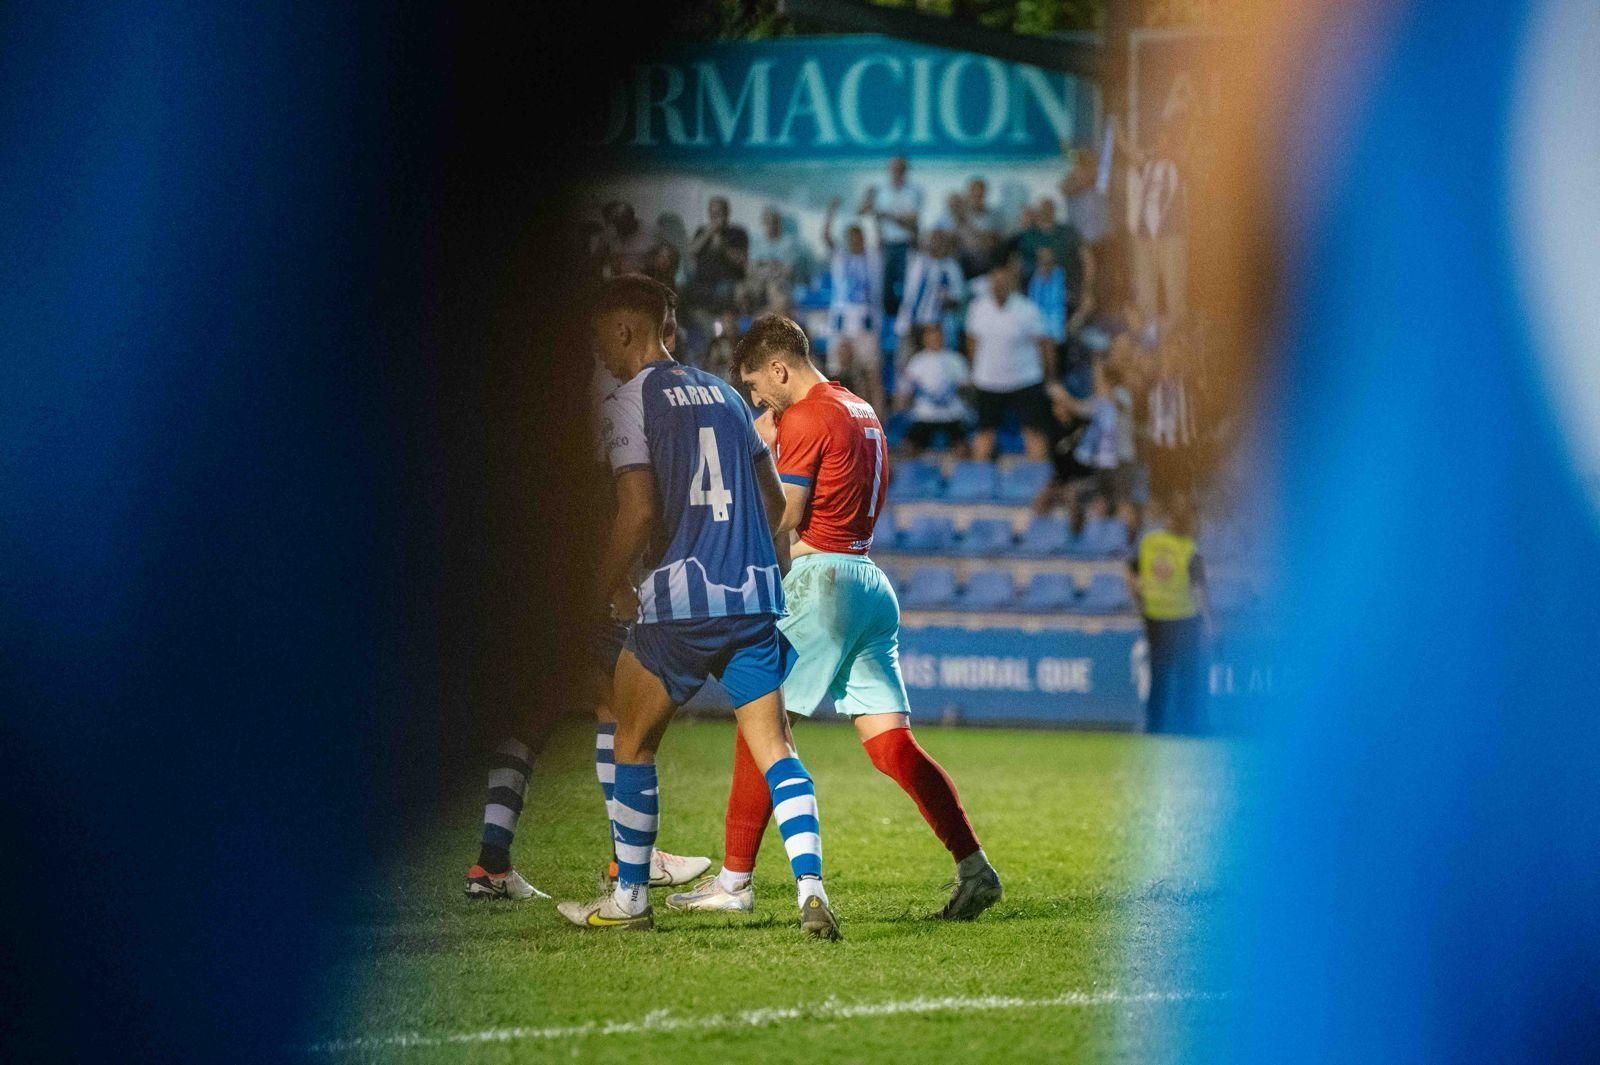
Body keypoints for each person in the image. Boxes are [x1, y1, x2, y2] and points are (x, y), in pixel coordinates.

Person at [667, 314, 1002, 921]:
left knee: (760, 727)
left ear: (779, 368)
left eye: (755, 385)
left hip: (821, 582)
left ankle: (734, 883)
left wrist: (735, 508)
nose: (756, 400)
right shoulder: (860, 408)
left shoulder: (805, 416)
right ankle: (975, 865)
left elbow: (787, 514)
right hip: (868, 581)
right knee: (892, 746)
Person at [557, 275, 840, 939]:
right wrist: (764, 569)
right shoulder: (726, 394)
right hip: (751, 599)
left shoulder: (631, 399)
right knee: (777, 748)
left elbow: (637, 510)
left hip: (679, 604)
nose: (599, 350)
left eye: (601, 336)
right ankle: (811, 888)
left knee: (631, 741)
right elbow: (774, 502)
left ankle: (630, 898)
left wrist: (592, 592)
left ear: (625, 329)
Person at [465, 297, 713, 902]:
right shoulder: (612, 399)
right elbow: (614, 503)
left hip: (529, 582)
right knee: (618, 710)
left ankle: (491, 865)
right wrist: (607, 583)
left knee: (531, 716)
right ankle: (631, 861)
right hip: (573, 581)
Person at [1127, 495, 1211, 734]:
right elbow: (1198, 589)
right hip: (1185, 618)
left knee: (1159, 675)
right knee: (1187, 676)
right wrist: (1208, 621)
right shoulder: (1189, 548)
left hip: (1155, 617)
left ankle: (1154, 725)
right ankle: (1186, 725)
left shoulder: (1149, 541)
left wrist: (1138, 600)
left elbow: (1130, 571)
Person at [964, 258, 1058, 462]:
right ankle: (977, 478)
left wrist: (1050, 377)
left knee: (1033, 433)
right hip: (988, 381)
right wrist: (973, 371)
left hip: (1025, 379)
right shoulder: (977, 308)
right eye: (995, 281)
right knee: (984, 435)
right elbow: (972, 342)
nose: (999, 286)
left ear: (1011, 282)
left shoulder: (1028, 310)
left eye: (1003, 281)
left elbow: (1045, 344)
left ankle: (1039, 476)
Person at [822, 196, 886, 415]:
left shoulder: (873, 259)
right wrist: (830, 213)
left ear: (863, 238)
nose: (855, 242)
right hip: (841, 322)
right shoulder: (840, 257)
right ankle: (834, 416)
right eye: (851, 238)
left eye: (859, 237)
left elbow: (879, 239)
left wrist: (873, 215)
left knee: (872, 373)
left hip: (866, 323)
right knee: (836, 373)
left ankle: (877, 419)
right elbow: (827, 238)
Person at [857, 155, 923, 317]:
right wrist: (867, 197)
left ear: (905, 170)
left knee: (907, 287)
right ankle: (886, 320)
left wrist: (887, 215)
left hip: (905, 244)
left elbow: (913, 220)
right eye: (894, 168)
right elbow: (861, 211)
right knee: (884, 288)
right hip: (885, 244)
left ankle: (903, 320)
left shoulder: (913, 192)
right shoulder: (881, 191)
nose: (897, 172)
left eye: (900, 169)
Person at [896, 322, 972, 456]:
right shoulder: (917, 361)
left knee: (964, 449)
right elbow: (906, 391)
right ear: (925, 339)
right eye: (931, 336)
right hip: (924, 415)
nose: (935, 339)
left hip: (952, 414)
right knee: (907, 449)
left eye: (938, 335)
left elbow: (966, 389)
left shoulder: (956, 360)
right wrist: (901, 409)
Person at [893, 228, 964, 363]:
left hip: (935, 325)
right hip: (911, 322)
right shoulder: (917, 262)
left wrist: (943, 298)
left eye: (940, 241)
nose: (936, 244)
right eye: (933, 240)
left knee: (933, 363)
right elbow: (909, 293)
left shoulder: (951, 267)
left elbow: (957, 298)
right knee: (907, 362)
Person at [687, 195, 749, 314]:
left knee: (725, 291)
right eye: (713, 213)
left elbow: (741, 261)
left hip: (727, 280)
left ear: (727, 213)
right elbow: (691, 251)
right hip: (702, 281)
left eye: (720, 213)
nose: (716, 217)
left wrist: (722, 246)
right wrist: (710, 232)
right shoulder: (702, 231)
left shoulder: (737, 233)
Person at [743, 205, 805, 313]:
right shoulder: (757, 242)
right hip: (759, 280)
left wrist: (764, 266)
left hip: (778, 281)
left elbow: (788, 271)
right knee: (743, 293)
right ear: (763, 223)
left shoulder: (788, 243)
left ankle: (761, 317)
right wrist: (772, 266)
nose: (771, 226)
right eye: (768, 222)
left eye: (774, 222)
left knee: (778, 295)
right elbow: (750, 269)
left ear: (779, 223)